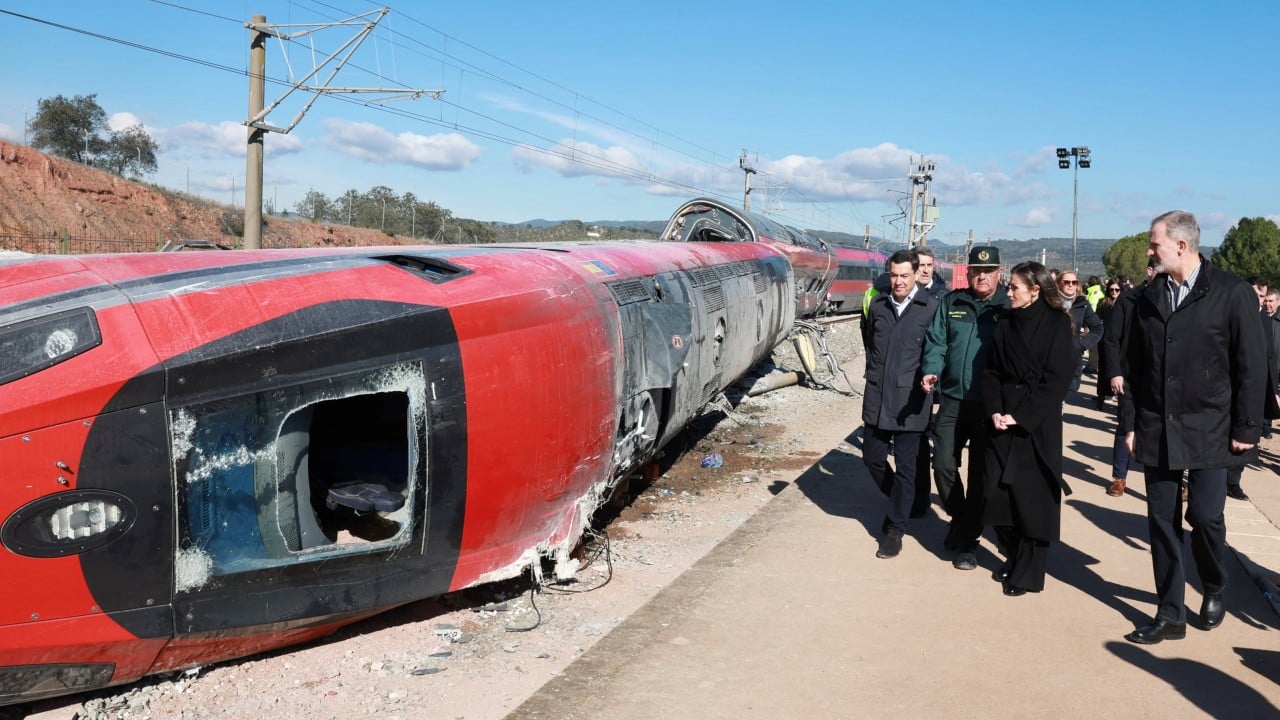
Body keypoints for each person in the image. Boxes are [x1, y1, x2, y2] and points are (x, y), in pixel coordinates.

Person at [1122, 210, 1266, 645]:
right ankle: (1170, 613)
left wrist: (1247, 428)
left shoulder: (1230, 292)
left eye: (1155, 243)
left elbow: (1251, 365)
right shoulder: (1148, 296)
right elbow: (1135, 366)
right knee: (1161, 522)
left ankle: (1214, 584)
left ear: (1181, 245)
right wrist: (1130, 423)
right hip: (1157, 425)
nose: (1149, 251)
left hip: (1211, 426)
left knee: (1204, 516)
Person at [981, 262, 1076, 596]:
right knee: (996, 496)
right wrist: (995, 410)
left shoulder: (1058, 324)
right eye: (1008, 286)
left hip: (1036, 425)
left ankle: (1029, 572)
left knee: (1032, 502)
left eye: (1014, 287)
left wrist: (1022, 417)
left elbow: (1057, 379)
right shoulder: (1006, 322)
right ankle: (1014, 554)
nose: (1008, 292)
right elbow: (992, 371)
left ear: (1035, 291)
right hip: (1002, 420)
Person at [920, 246, 1011, 570]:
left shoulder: (1008, 306)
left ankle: (968, 541)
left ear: (999, 273)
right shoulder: (953, 302)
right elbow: (937, 342)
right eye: (976, 271)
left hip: (989, 405)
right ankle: (962, 521)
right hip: (953, 399)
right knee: (943, 465)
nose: (982, 276)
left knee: (980, 477)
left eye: (988, 271)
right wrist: (932, 369)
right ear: (968, 272)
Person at [860, 250, 938, 558]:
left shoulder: (931, 308)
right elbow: (870, 344)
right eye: (893, 275)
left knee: (907, 468)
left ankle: (895, 529)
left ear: (917, 274)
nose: (898, 281)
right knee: (872, 458)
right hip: (878, 397)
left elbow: (935, 350)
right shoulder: (878, 305)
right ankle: (901, 500)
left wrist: (931, 377)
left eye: (904, 275)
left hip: (911, 401)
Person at [1100, 261, 1155, 497]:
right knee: (1126, 425)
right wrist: (1115, 372)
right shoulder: (1128, 299)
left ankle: (1166, 482)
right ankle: (1119, 478)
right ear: (1150, 271)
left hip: (1160, 378)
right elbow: (1111, 339)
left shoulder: (1174, 300)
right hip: (1130, 376)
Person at [1224, 276, 1277, 500]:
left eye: (1263, 296)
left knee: (1247, 435)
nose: (1260, 300)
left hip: (1254, 388)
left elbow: (1269, 356)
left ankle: (1232, 482)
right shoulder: (1228, 312)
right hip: (1226, 386)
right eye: (1256, 294)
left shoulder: (1264, 319)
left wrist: (1274, 390)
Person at [910, 246, 949, 517]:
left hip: (937, 377)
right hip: (912, 375)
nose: (925, 270)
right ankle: (919, 495)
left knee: (934, 438)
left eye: (928, 265)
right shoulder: (903, 294)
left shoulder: (945, 297)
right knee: (917, 439)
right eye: (920, 265)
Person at [1056, 271, 1103, 394]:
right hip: (1050, 360)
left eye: (1074, 282)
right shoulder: (1050, 302)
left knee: (1064, 396)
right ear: (1059, 284)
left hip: (1071, 359)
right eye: (1066, 282)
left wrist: (1082, 345)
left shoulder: (1083, 304)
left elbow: (1098, 328)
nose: (1070, 285)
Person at [1094, 280, 1126, 410]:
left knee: (1120, 371)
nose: (1114, 292)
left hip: (1121, 342)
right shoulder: (1103, 302)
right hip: (1105, 341)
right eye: (1111, 289)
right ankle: (1101, 399)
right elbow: (1096, 319)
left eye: (1117, 290)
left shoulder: (1125, 304)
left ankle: (1120, 400)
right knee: (1103, 371)